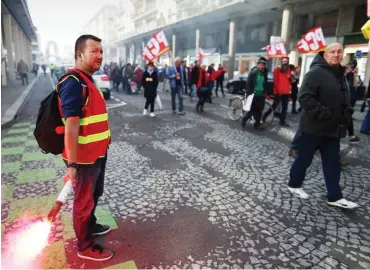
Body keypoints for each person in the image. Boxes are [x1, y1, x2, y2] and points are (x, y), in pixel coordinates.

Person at [57, 34, 114, 260]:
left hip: (97, 154)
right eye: (94, 51)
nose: (100, 55)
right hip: (82, 159)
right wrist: (71, 165)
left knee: (94, 194)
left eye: (101, 51)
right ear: (79, 55)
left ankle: (90, 226)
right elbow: (71, 126)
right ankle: (84, 246)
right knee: (84, 201)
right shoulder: (73, 82)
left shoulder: (88, 79)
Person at [288, 43, 358, 209]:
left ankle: (334, 196)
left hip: (333, 129)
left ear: (343, 54)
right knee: (304, 159)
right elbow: (304, 98)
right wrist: (325, 113)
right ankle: (294, 185)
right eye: (332, 52)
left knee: (332, 162)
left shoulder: (340, 73)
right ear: (324, 55)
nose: (336, 54)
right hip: (313, 128)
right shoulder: (315, 72)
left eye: (339, 51)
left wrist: (347, 112)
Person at [262, 57, 291, 127]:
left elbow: (288, 80)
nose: (285, 62)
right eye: (283, 61)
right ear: (281, 62)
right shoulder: (277, 70)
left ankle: (282, 121)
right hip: (279, 92)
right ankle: (264, 116)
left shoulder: (289, 69)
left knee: (285, 107)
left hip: (286, 92)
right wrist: (278, 90)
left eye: (286, 61)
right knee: (274, 106)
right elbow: (275, 81)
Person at [241, 57, 268, 131]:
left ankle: (257, 126)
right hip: (254, 95)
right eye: (260, 65)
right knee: (252, 111)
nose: (262, 66)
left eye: (263, 65)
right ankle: (244, 119)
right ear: (257, 65)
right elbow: (248, 84)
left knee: (259, 111)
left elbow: (265, 83)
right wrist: (249, 94)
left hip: (261, 95)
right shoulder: (253, 73)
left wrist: (265, 92)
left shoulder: (264, 73)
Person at [344, 60, 362, 143]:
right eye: (350, 64)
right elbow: (339, 79)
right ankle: (351, 135)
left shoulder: (354, 74)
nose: (351, 66)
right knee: (347, 115)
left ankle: (351, 135)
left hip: (352, 96)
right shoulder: (343, 70)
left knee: (348, 114)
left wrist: (355, 74)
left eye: (353, 65)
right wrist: (346, 72)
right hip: (343, 95)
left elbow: (355, 85)